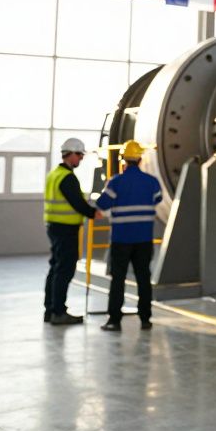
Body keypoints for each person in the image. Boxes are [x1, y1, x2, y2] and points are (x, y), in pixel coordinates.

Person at [94, 140, 163, 331]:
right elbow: (158, 199)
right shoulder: (151, 182)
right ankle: (145, 319)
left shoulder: (115, 182)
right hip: (143, 239)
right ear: (140, 159)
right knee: (143, 278)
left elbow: (102, 204)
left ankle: (114, 320)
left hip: (121, 239)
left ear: (123, 160)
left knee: (118, 279)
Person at [44, 137, 98, 326]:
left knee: (55, 268)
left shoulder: (54, 174)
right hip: (66, 230)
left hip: (54, 227)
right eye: (80, 155)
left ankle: (50, 310)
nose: (81, 159)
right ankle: (58, 312)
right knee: (64, 270)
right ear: (71, 154)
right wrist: (94, 213)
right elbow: (77, 203)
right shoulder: (67, 177)